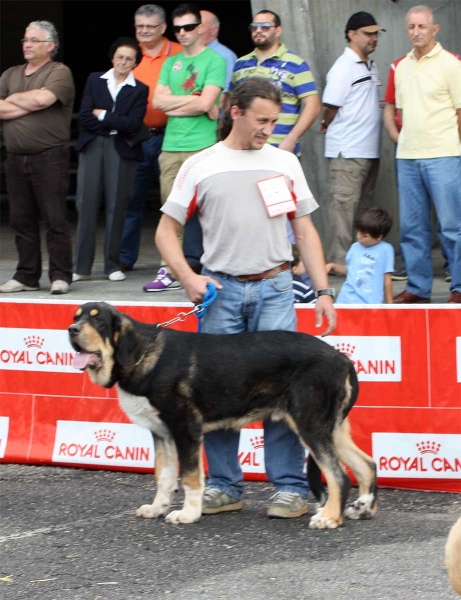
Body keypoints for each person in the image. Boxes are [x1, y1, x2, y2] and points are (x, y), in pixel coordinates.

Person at [154, 78, 336, 519]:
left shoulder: (285, 162)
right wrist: (189, 278)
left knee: (287, 394)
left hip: (277, 288)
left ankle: (289, 488)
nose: (269, 129)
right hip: (220, 290)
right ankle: (222, 486)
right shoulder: (200, 165)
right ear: (234, 111)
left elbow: (305, 230)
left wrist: (323, 291)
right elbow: (164, 231)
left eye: (274, 120)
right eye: (261, 120)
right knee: (210, 394)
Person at [182, 8, 321, 276]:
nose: (259, 31)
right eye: (255, 26)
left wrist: (291, 139)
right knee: (246, 215)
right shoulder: (242, 64)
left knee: (282, 216)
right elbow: (231, 104)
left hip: (276, 158)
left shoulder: (296, 63)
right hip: (239, 159)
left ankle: (292, 270)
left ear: (278, 30)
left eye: (265, 26)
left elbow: (312, 104)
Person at [143, 2, 226, 292]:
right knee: (172, 212)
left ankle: (208, 267)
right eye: (178, 28)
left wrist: (183, 103)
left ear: (200, 28)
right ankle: (170, 271)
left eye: (189, 27)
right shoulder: (170, 62)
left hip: (202, 147)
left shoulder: (215, 60)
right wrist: (192, 101)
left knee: (207, 211)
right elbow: (158, 103)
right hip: (170, 146)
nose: (182, 33)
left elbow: (207, 103)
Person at [393, 5, 461, 304]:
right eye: (411, 27)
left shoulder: (451, 64)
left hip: (444, 154)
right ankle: (418, 289)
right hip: (407, 156)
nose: (416, 32)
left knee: (452, 227)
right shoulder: (401, 67)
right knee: (412, 228)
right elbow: (401, 113)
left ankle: (458, 288)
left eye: (422, 27)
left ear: (435, 30)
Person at [0, 21, 75, 295]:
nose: (27, 44)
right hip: (16, 158)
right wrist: (27, 103)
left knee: (54, 218)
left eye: (33, 40)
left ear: (50, 46)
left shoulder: (59, 72)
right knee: (21, 220)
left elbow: (43, 101)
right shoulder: (10, 73)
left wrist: (14, 101)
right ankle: (27, 276)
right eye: (24, 40)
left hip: (49, 157)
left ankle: (60, 275)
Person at [72, 37, 148, 282]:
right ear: (112, 57)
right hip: (93, 145)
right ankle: (81, 267)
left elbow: (133, 124)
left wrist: (104, 115)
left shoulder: (140, 88)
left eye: (129, 58)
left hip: (121, 149)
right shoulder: (95, 79)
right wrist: (114, 124)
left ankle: (112, 265)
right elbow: (84, 116)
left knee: (118, 206)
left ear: (136, 62)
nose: (123, 62)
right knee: (86, 204)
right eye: (120, 57)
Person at [119, 4, 182, 274]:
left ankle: (178, 262)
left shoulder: (180, 53)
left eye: (150, 26)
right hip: (138, 136)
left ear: (163, 28)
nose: (144, 31)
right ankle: (123, 257)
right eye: (139, 27)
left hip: (174, 135)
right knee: (131, 199)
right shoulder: (129, 56)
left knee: (177, 201)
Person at [321, 11, 385, 265]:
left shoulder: (371, 64)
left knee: (362, 212)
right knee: (343, 210)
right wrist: (325, 123)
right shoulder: (343, 67)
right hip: (348, 151)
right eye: (368, 33)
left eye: (376, 33)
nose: (374, 38)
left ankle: (358, 260)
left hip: (368, 149)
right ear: (351, 34)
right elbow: (330, 106)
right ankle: (337, 262)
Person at [327, 207, 394, 304]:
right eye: (358, 232)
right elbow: (350, 270)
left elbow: (387, 279)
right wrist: (332, 266)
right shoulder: (354, 247)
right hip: (345, 300)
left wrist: (391, 306)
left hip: (370, 304)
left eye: (365, 236)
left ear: (379, 237)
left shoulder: (386, 250)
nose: (359, 237)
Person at [199, 10, 237, 101]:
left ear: (214, 30)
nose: (196, 30)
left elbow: (227, 96)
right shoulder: (188, 54)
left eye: (200, 26)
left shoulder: (226, 56)